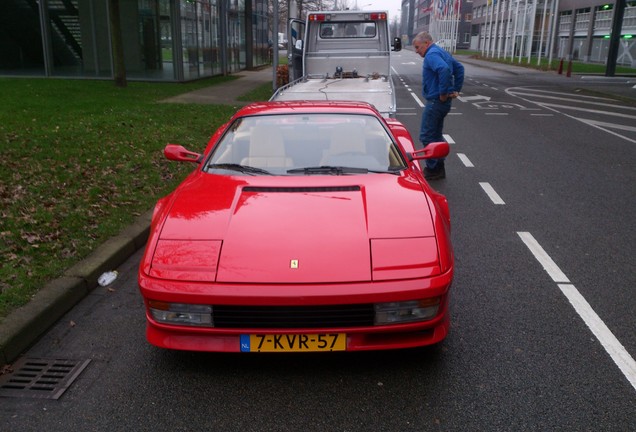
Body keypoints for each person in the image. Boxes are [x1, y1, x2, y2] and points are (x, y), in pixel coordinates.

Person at [413, 31, 464, 180]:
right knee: (435, 135)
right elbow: (459, 68)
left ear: (426, 43)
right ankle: (439, 168)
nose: (416, 51)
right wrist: (456, 90)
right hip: (442, 102)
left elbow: (444, 69)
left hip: (436, 101)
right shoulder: (441, 52)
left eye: (417, 47)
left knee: (427, 135)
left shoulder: (431, 54)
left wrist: (443, 92)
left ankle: (434, 168)